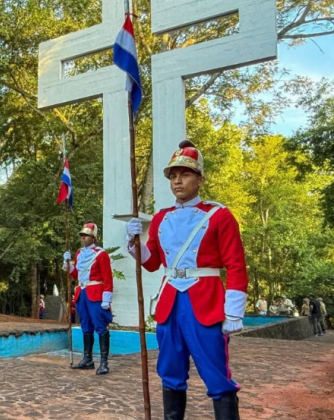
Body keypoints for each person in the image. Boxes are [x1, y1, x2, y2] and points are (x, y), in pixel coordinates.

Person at [126, 140, 247, 420]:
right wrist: (134, 242)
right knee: (170, 372)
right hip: (169, 302)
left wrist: (233, 310)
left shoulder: (219, 216)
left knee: (217, 375)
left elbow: (236, 265)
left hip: (205, 303)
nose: (178, 181)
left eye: (185, 174)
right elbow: (153, 262)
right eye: (173, 176)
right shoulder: (160, 218)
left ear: (200, 178)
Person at [63, 222, 113, 375]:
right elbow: (77, 275)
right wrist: (68, 264)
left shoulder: (101, 254)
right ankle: (88, 359)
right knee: (85, 325)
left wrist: (107, 298)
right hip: (82, 292)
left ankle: (104, 362)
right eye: (82, 235)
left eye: (86, 235)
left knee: (100, 326)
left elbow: (108, 278)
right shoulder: (78, 253)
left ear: (93, 237)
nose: (83, 238)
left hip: (95, 292)